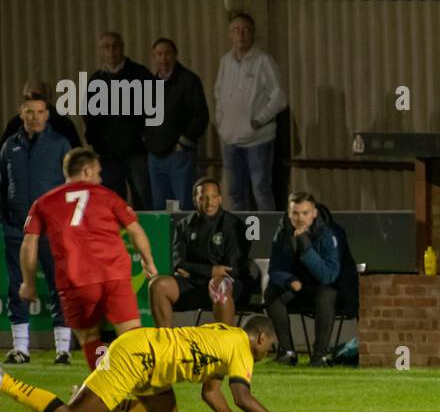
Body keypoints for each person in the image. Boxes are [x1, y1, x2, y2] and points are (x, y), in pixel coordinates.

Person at [0, 317, 313, 412]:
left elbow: (211, 393)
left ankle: (103, 396)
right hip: (141, 357)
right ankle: (1, 380)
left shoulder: (228, 338)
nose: (265, 356)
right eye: (268, 350)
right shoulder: (242, 349)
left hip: (149, 354)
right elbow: (242, 397)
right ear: (262, 338)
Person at [18, 147, 159, 370]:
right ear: (86, 171)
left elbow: (28, 243)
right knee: (131, 335)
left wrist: (28, 282)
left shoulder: (43, 203)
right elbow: (135, 230)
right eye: (97, 172)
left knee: (90, 338)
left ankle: (105, 384)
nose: (100, 178)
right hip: (114, 276)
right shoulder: (107, 196)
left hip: (76, 281)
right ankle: (142, 387)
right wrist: (148, 261)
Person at [0, 96, 73, 365]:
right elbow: (1, 187)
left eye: (40, 112)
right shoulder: (10, 146)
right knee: (17, 287)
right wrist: (4, 220)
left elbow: (71, 188)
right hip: (17, 229)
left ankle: (63, 349)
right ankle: (21, 348)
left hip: (52, 231)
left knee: (58, 285)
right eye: (30, 112)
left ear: (48, 115)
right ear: (21, 114)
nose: (35, 117)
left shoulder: (60, 144)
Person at [149, 177, 256, 328]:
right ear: (195, 200)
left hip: (228, 286)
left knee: (219, 284)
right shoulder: (184, 225)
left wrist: (193, 271)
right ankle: (167, 345)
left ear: (220, 199)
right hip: (194, 284)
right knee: (157, 285)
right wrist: (211, 270)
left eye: (213, 197)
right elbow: (179, 263)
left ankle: (223, 347)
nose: (209, 202)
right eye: (203, 197)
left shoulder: (234, 225)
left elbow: (231, 269)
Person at [266, 191, 357, 367]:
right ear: (289, 213)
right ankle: (287, 351)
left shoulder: (330, 233)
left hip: (332, 289)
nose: (300, 218)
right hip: (299, 287)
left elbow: (328, 275)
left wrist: (306, 247)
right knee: (272, 292)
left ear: (314, 213)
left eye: (305, 213)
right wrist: (290, 280)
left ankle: (319, 356)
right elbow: (275, 268)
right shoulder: (283, 232)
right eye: (295, 213)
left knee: (327, 293)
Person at [214, 12, 287, 211]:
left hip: (258, 140)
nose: (241, 34)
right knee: (235, 193)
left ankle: (267, 236)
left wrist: (259, 120)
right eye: (236, 30)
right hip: (230, 140)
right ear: (230, 34)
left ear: (253, 34)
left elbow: (279, 97)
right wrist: (222, 123)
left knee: (261, 190)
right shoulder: (225, 61)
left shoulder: (264, 61)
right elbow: (218, 94)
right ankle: (240, 236)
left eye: (245, 30)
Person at [86, 31, 154, 209]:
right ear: (101, 51)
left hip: (137, 153)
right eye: (106, 47)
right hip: (109, 157)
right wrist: (98, 144)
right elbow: (89, 118)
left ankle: (145, 236)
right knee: (112, 204)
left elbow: (154, 109)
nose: (111, 51)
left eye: (115, 46)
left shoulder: (140, 74)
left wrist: (145, 138)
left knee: (144, 200)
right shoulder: (95, 81)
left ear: (122, 48)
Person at [145, 38, 210, 211]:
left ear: (175, 55)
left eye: (167, 53)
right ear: (154, 57)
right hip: (155, 157)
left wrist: (184, 141)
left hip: (179, 155)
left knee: (184, 205)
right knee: (159, 207)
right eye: (159, 54)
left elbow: (201, 116)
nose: (163, 58)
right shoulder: (150, 85)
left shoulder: (189, 81)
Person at [0, 79, 81, 155]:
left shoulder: (63, 124)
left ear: (47, 99)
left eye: (36, 97)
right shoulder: (15, 124)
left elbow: (77, 159)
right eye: (27, 98)